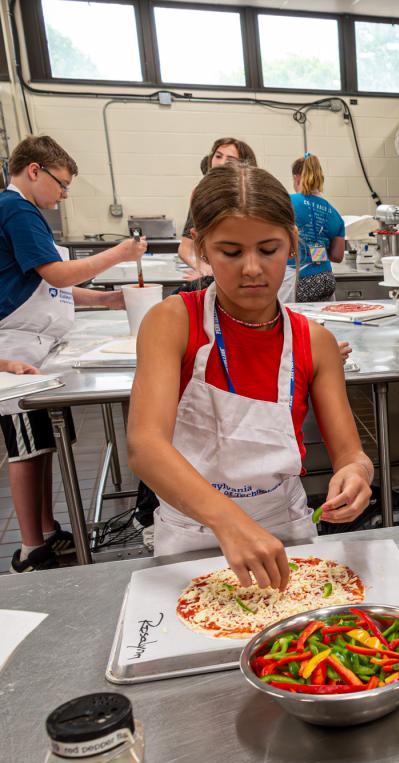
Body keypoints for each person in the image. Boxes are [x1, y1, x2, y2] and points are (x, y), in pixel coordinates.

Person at [127, 162, 373, 589]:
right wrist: (228, 521)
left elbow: (351, 455)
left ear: (292, 245)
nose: (253, 268)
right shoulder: (173, 323)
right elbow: (145, 446)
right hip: (193, 533)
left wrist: (356, 477)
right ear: (203, 249)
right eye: (231, 252)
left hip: (286, 532)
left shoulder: (313, 341)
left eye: (269, 249)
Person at [0, 135, 145, 571]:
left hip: (34, 348)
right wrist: (119, 253)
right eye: (61, 185)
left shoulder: (24, 213)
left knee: (40, 444)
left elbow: (46, 285)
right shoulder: (17, 209)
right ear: (34, 171)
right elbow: (58, 274)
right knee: (26, 449)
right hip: (15, 348)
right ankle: (32, 548)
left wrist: (105, 300)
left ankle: (46, 531)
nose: (63, 195)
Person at [179, 137, 256, 285]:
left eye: (230, 159)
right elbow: (186, 247)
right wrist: (204, 268)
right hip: (213, 276)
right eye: (218, 156)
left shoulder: (252, 194)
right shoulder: (201, 193)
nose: (221, 162)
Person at [289, 153, 345, 302]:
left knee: (294, 323)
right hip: (325, 278)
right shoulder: (334, 213)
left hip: (297, 279)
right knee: (322, 320)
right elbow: (337, 257)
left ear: (296, 178)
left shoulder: (287, 202)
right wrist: (317, 244)